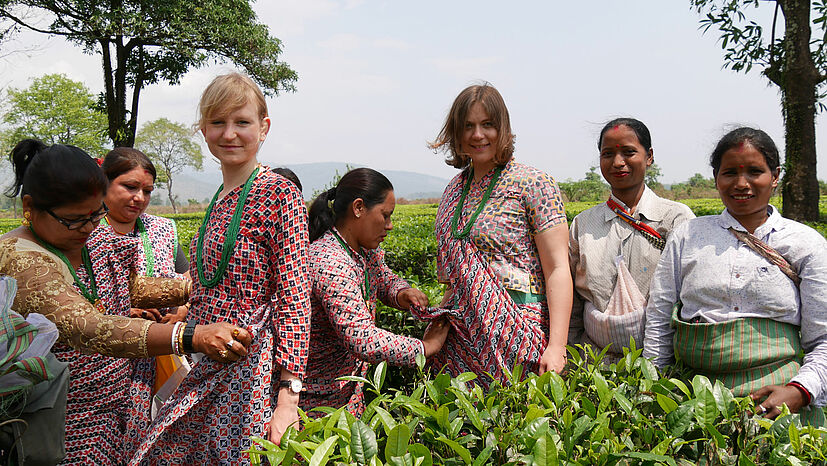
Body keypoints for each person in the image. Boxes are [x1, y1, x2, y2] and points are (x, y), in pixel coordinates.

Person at [1, 139, 251, 465]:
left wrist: (204, 286)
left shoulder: (89, 241)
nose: (89, 228)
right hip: (67, 417)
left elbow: (125, 289)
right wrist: (192, 336)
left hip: (120, 403)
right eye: (74, 219)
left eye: (96, 215)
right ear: (30, 206)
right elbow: (88, 326)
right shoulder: (21, 258)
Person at [130, 73, 311, 465]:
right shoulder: (217, 199)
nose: (229, 134)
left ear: (263, 128)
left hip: (251, 369)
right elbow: (207, 284)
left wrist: (287, 399)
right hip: (208, 356)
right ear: (204, 130)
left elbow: (295, 296)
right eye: (218, 123)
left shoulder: (280, 194)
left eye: (242, 122)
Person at [643, 127, 827, 424]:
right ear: (716, 177)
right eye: (730, 173)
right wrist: (655, 390)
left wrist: (800, 391)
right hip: (693, 402)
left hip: (780, 406)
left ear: (775, 176)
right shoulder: (688, 235)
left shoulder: (806, 244)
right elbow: (659, 318)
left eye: (755, 171)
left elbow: (824, 339)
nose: (742, 184)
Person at [418, 83, 572, 387]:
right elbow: (452, 277)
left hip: (518, 332)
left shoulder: (533, 183)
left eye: (487, 124)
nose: (478, 135)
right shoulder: (452, 191)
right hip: (461, 337)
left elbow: (557, 268)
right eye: (468, 126)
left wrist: (557, 346)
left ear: (503, 129)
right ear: (456, 133)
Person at [302, 168, 449, 417]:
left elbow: (382, 278)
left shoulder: (362, 250)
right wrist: (425, 347)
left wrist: (402, 293)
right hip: (315, 403)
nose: (390, 226)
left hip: (347, 393)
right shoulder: (329, 261)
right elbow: (362, 339)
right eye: (385, 215)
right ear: (358, 208)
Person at [568, 118, 694, 361]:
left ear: (649, 156)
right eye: (608, 154)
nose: (618, 162)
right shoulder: (582, 225)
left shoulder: (675, 218)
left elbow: (688, 296)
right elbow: (573, 305)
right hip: (594, 365)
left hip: (662, 361)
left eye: (629, 152)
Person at [95, 147, 190, 459]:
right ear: (104, 184)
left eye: (147, 191)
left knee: (148, 434)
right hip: (101, 357)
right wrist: (125, 311)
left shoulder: (162, 231)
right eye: (130, 187)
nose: (139, 198)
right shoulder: (84, 230)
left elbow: (186, 281)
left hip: (155, 353)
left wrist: (179, 314)